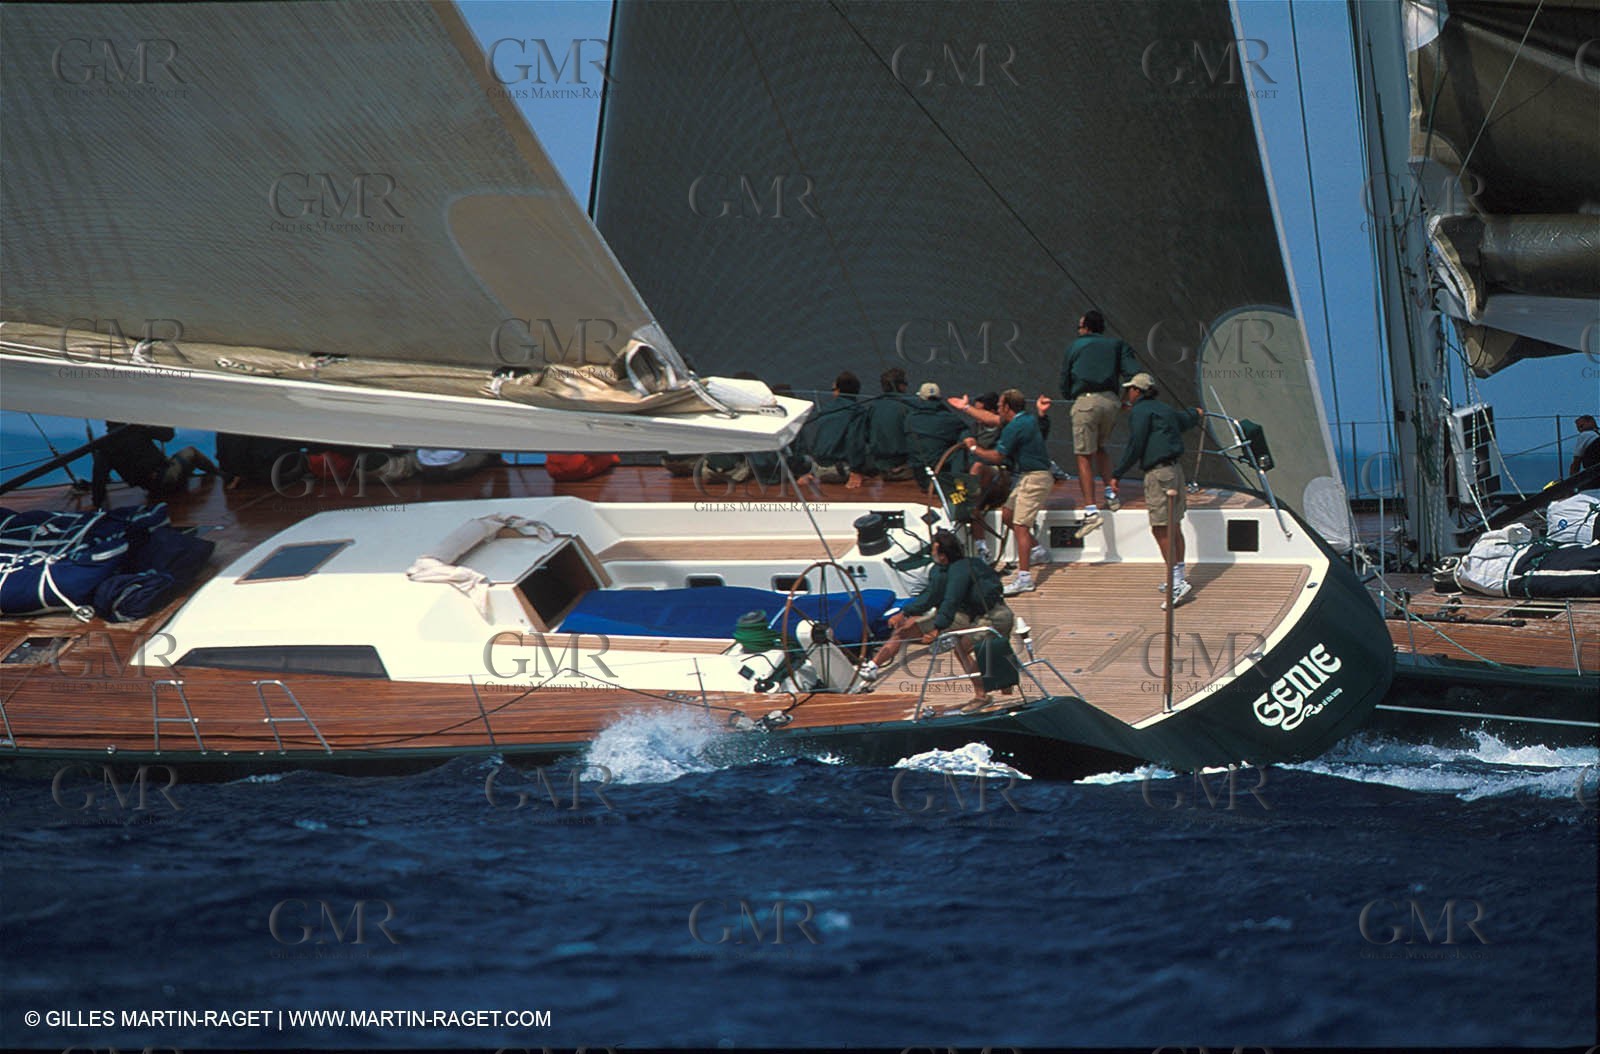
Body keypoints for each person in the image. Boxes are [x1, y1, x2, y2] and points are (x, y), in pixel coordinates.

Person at [857, 531, 1012, 708]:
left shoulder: (956, 573)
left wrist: (937, 629)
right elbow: (932, 596)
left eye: (933, 551)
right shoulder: (966, 564)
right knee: (912, 633)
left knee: (962, 648)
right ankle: (872, 667)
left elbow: (950, 601)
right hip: (986, 614)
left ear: (943, 556)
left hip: (993, 618)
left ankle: (982, 696)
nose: (931, 554)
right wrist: (906, 612)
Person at [1111, 373, 1204, 608]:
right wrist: (1196, 413)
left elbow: (1136, 444)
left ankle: (1176, 583)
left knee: (1160, 528)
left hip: (1158, 475)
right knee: (1174, 525)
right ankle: (1178, 577)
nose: (1128, 393)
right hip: (1175, 472)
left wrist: (1117, 473)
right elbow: (1184, 420)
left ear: (1137, 391)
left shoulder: (1140, 412)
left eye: (1130, 389)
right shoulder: (1164, 409)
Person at [962, 389, 1054, 595]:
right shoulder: (1025, 420)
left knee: (1020, 525)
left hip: (1036, 478)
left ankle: (1024, 579)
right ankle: (1038, 552)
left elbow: (997, 457)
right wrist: (966, 408)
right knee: (1008, 515)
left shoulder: (1015, 427)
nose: (997, 409)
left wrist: (974, 449)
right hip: (1028, 476)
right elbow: (991, 419)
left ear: (1006, 408)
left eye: (999, 406)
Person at [1060, 308, 1141, 537]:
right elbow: (1137, 377)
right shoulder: (1117, 345)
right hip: (1112, 403)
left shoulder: (1075, 347)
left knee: (1083, 455)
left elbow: (1065, 383)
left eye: (1079, 327)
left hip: (1086, 402)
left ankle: (1090, 511)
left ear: (1085, 327)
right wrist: (1127, 402)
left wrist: (1070, 395)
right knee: (1100, 448)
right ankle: (1111, 493)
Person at [94, 422, 218, 499]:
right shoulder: (136, 430)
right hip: (164, 479)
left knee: (171, 463)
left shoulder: (105, 446)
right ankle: (219, 475)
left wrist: (97, 502)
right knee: (191, 452)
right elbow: (168, 436)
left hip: (150, 487)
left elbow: (99, 477)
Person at [850, 367, 918, 487]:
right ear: (901, 386)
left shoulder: (872, 408)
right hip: (902, 467)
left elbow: (864, 436)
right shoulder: (908, 408)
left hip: (878, 467)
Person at [797, 371, 863, 485]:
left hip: (817, 471)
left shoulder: (825, 410)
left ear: (838, 391)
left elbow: (816, 441)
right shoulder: (858, 412)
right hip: (841, 471)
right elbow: (855, 442)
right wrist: (856, 472)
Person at [904, 381, 968, 492]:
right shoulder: (951, 419)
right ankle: (960, 485)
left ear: (920, 399)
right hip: (943, 477)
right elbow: (966, 431)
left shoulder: (910, 419)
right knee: (963, 442)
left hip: (921, 478)